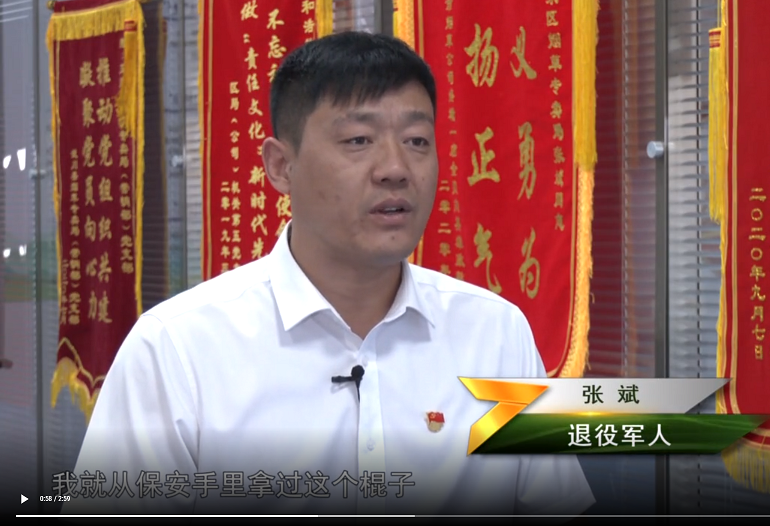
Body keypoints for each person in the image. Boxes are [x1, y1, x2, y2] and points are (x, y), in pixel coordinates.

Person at [61, 31, 595, 517]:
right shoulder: (177, 349)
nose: (395, 169)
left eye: (417, 141)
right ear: (280, 166)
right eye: (358, 140)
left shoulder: (497, 332)